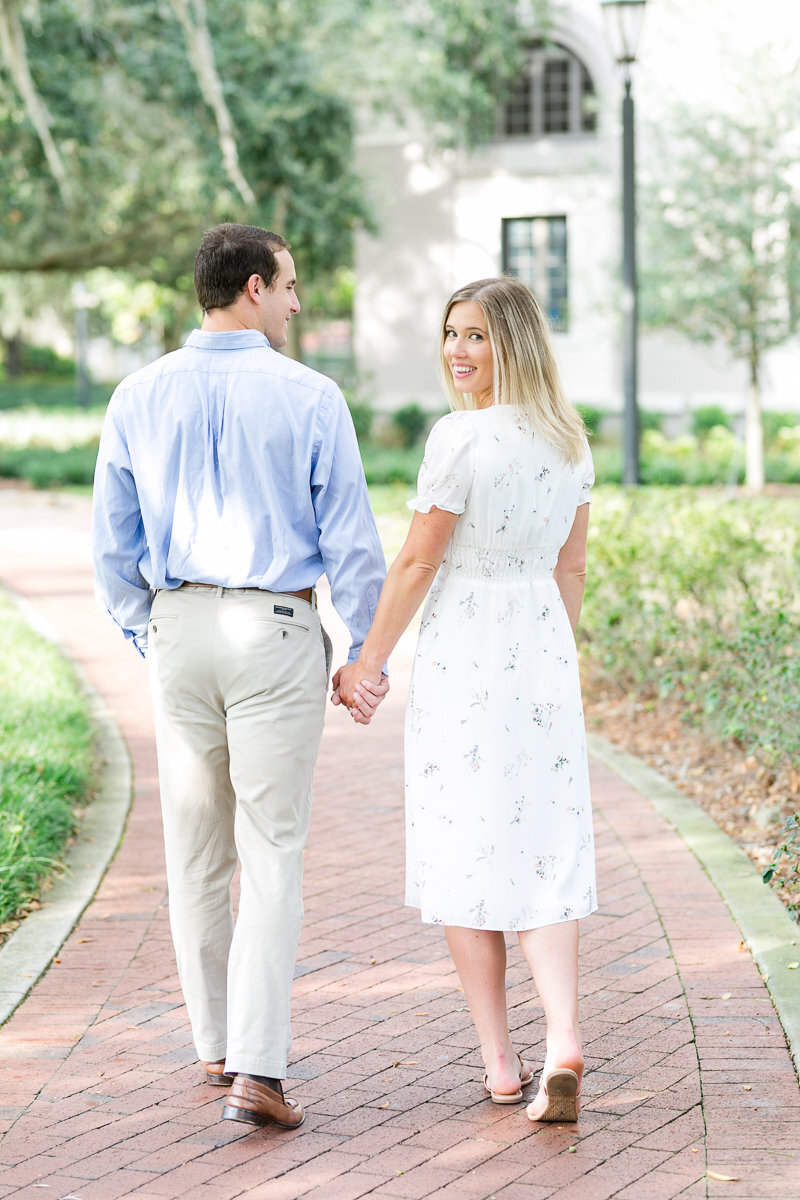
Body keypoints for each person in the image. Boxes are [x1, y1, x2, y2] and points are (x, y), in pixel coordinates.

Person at [92, 222, 387, 1131]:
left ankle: (216, 1044)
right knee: (273, 853)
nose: (298, 302)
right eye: (292, 285)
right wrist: (362, 650)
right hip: (275, 625)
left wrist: (153, 632)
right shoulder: (310, 395)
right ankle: (258, 1070)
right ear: (254, 287)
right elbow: (352, 541)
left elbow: (114, 546)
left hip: (181, 626)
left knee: (196, 854)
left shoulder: (135, 395)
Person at [335, 275, 596, 1123]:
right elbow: (571, 570)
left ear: (511, 344)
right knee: (545, 840)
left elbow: (417, 561)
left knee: (466, 841)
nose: (457, 351)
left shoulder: (459, 438)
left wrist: (370, 661)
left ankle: (500, 1062)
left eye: (477, 336)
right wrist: (557, 653)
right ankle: (563, 1034)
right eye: (451, 333)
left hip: (467, 654)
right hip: (543, 648)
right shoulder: (569, 442)